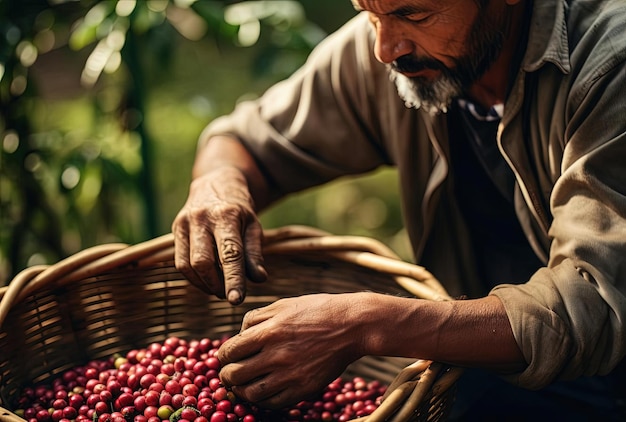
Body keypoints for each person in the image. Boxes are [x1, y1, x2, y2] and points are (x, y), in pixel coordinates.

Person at [172, 0, 626, 419]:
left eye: (415, 15)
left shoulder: (609, 65)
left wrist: (366, 324)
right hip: (480, 372)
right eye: (369, 13)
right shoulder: (395, 50)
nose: (385, 49)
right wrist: (218, 184)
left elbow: (592, 301)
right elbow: (245, 141)